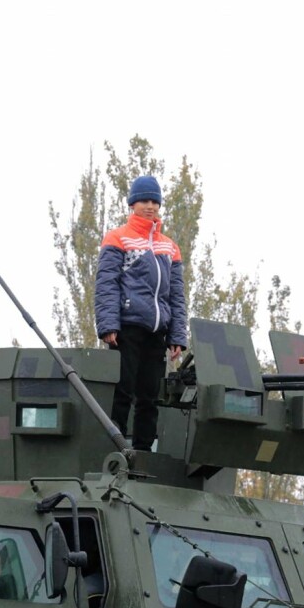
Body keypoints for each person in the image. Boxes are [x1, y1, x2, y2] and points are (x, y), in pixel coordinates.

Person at [94, 175, 188, 453]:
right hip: (126, 327)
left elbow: (176, 295)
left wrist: (177, 335)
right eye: (144, 200)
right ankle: (117, 448)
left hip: (157, 331)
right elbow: (107, 284)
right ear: (132, 203)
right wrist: (108, 323)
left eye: (155, 201)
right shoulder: (117, 237)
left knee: (150, 396)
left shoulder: (169, 247)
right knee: (122, 391)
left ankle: (145, 453)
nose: (150, 206)